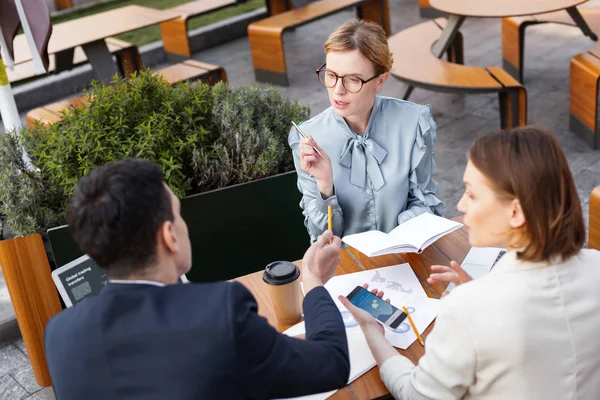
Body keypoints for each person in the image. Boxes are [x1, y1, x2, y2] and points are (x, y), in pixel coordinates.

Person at [44, 158, 350, 400]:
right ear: (168, 237)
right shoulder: (220, 312)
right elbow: (332, 363)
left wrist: (263, 346)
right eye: (178, 214)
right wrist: (313, 281)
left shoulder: (60, 334)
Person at [340, 126, 600, 399]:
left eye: (472, 194)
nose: (461, 205)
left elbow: (415, 394)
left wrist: (372, 331)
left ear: (515, 212)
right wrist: (480, 289)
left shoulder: (468, 308)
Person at [289, 19, 443, 242]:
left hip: (405, 254)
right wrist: (325, 185)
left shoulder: (414, 123)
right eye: (331, 75)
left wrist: (394, 241)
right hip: (345, 266)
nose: (338, 91)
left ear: (380, 81)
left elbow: (424, 202)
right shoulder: (308, 138)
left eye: (353, 80)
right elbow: (321, 236)